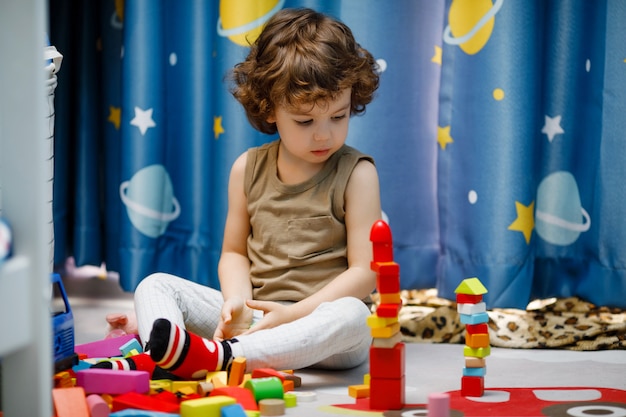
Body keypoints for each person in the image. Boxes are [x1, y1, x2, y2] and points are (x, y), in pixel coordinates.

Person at [98, 7, 381, 379]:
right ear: (269, 108)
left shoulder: (357, 173)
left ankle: (222, 357)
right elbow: (233, 252)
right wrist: (236, 302)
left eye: (338, 117)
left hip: (323, 328)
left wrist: (293, 314)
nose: (323, 134)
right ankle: (162, 352)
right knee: (155, 285)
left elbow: (365, 272)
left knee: (355, 316)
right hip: (259, 319)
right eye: (305, 120)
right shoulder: (246, 168)